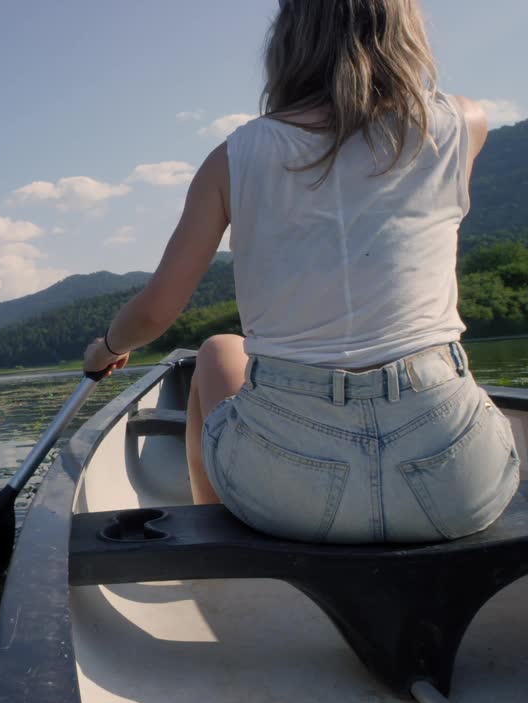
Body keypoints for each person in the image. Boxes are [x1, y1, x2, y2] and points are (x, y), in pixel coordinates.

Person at [81, 0, 519, 544]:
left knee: (219, 349)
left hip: (288, 498)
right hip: (456, 486)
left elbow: (153, 312)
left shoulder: (233, 157)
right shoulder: (461, 123)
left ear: (288, 39)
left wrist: (105, 347)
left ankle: (223, 563)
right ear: (402, 28)